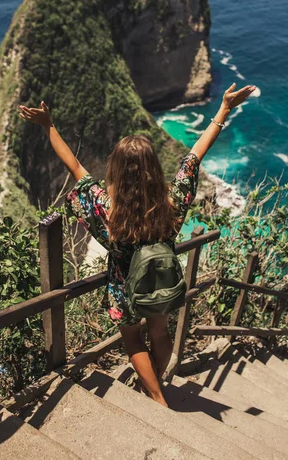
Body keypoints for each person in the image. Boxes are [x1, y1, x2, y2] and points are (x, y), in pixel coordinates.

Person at [19, 81, 256, 406]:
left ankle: (157, 397)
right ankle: (161, 383)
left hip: (123, 288)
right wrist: (224, 109)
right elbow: (194, 156)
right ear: (154, 171)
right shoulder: (171, 203)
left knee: (133, 342)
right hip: (160, 284)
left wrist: (48, 125)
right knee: (159, 333)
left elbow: (73, 166)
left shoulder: (105, 208)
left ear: (114, 171)